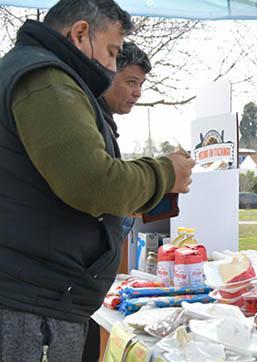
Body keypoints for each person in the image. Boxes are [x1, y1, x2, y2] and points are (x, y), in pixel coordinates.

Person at [0, 1, 195, 360]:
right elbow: (91, 182)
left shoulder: (38, 74)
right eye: (111, 52)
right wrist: (165, 172)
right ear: (79, 34)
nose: (110, 66)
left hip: (37, 298)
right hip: (32, 304)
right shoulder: (44, 77)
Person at [83, 41, 152, 362]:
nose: (137, 92)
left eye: (141, 84)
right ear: (107, 72)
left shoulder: (102, 120)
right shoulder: (87, 118)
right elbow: (97, 188)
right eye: (131, 82)